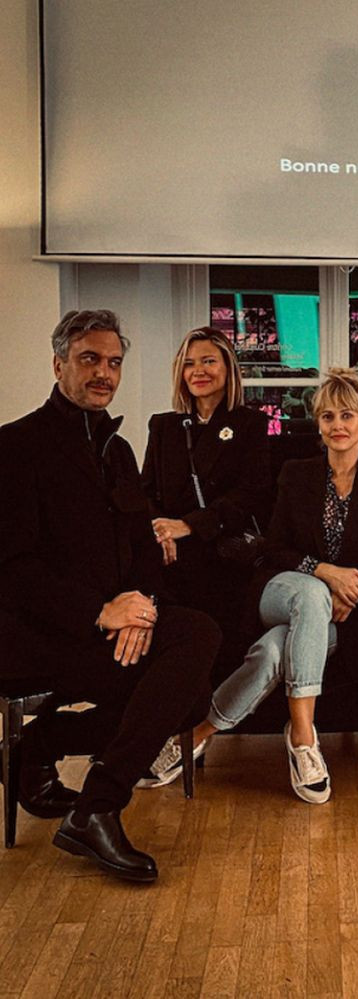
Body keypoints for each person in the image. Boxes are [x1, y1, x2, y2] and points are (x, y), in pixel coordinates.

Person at [0, 310, 219, 882]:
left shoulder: (117, 450)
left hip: (115, 625)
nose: (104, 373)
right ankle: (96, 808)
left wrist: (141, 609)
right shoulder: (15, 446)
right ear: (58, 365)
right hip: (40, 634)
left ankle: (44, 749)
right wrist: (100, 613)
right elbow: (13, 569)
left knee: (194, 676)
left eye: (114, 362)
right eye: (90, 359)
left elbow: (142, 545)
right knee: (183, 681)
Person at [141, 368, 358, 803]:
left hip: (339, 608)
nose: (337, 425)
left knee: (272, 651)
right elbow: (274, 547)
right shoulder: (297, 474)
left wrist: (356, 588)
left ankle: (197, 735)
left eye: (346, 415)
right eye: (327, 416)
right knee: (311, 593)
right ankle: (303, 737)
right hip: (282, 589)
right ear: (317, 424)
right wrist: (326, 573)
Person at [140, 327, 270, 676]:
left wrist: (188, 526)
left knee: (221, 654)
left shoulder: (251, 424)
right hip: (171, 562)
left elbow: (253, 493)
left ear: (228, 368)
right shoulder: (164, 426)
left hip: (223, 561)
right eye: (189, 363)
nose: (198, 371)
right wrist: (162, 532)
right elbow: (146, 492)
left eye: (209, 361)